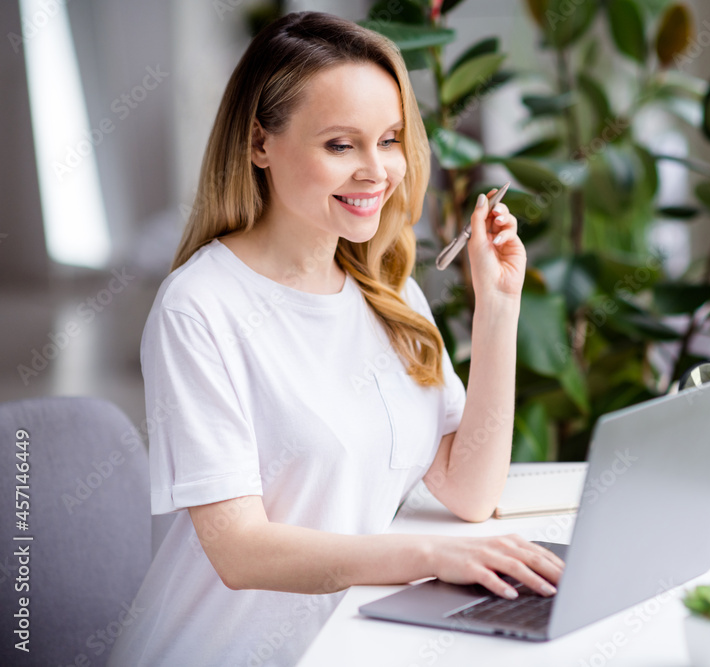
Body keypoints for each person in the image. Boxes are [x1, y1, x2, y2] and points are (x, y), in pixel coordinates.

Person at [108, 11, 563, 667]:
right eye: (341, 145)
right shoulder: (199, 307)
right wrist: (432, 556)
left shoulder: (389, 294)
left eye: (390, 139)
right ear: (260, 143)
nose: (377, 171)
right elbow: (241, 550)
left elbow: (469, 489)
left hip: (351, 639)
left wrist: (497, 307)